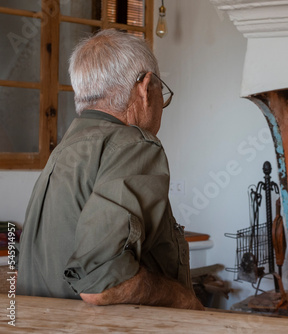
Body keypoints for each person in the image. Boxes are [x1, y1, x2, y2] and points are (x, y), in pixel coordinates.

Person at [17, 29, 204, 310]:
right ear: (145, 87)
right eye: (160, 92)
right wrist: (184, 298)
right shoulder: (135, 143)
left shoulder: (65, 149)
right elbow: (101, 284)